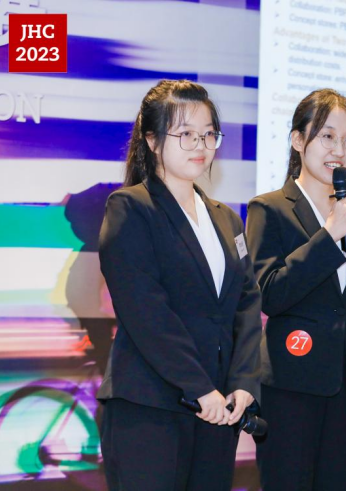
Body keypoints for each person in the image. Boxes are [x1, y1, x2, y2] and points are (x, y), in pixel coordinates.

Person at [97, 80, 261, 491]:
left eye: (208, 134)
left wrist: (244, 382)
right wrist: (199, 388)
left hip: (218, 411)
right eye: (185, 133)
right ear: (153, 140)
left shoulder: (227, 218)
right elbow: (146, 312)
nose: (200, 145)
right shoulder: (131, 207)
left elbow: (246, 304)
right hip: (150, 407)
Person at [246, 88, 346, 491]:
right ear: (298, 140)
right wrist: (328, 237)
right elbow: (270, 294)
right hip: (290, 386)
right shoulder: (269, 209)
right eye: (327, 136)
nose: (340, 150)